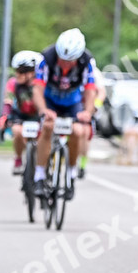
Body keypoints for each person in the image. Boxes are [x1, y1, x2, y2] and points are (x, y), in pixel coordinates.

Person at [33, 28, 98, 196]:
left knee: (77, 131)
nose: (64, 65)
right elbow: (37, 88)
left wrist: (87, 112)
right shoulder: (46, 58)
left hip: (72, 103)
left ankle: (71, 173)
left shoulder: (87, 61)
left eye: (70, 62)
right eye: (62, 60)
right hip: (50, 100)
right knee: (47, 127)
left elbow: (91, 90)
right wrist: (43, 110)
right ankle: (39, 175)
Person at [0, 50, 45, 175]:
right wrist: (4, 116)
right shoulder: (13, 83)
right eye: (16, 71)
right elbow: (8, 100)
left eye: (21, 71)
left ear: (32, 72)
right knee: (17, 131)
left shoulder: (42, 84)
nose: (17, 74)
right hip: (21, 115)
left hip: (38, 116)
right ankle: (18, 159)